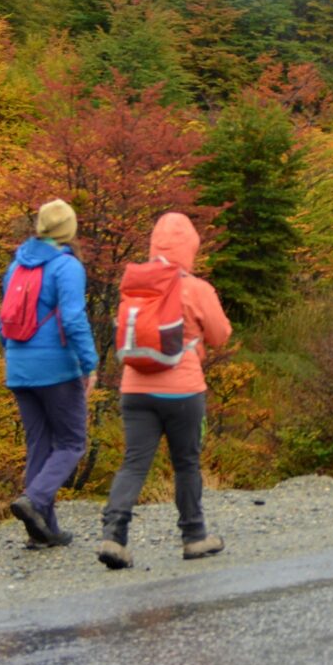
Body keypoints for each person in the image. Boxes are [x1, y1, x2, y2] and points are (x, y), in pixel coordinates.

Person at [98, 210, 233, 568]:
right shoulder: (196, 288)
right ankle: (194, 537)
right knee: (186, 464)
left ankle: (114, 536)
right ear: (190, 248)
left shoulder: (136, 287)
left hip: (135, 389)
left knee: (133, 463)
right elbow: (221, 336)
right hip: (183, 392)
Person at [0, 198, 98, 548]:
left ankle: (43, 531)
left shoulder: (16, 266)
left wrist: (12, 357)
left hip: (18, 366)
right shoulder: (66, 267)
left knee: (39, 444)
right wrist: (90, 364)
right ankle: (35, 500)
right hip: (55, 368)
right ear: (69, 229)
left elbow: (3, 322)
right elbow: (73, 319)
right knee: (72, 443)